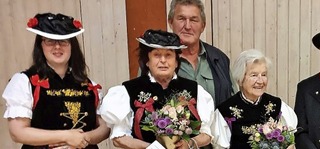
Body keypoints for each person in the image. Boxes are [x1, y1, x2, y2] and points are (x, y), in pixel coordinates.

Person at [2, 13, 110, 149]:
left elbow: (105, 127)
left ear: (72, 45)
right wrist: (66, 137)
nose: (57, 47)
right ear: (40, 45)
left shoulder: (90, 85)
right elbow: (18, 132)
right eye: (50, 41)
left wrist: (84, 139)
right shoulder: (24, 82)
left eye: (63, 41)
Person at [100, 30, 214, 148]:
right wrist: (151, 147)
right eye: (157, 55)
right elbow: (119, 138)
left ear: (176, 61)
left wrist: (190, 143)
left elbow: (206, 134)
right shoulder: (129, 90)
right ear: (147, 61)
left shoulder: (194, 89)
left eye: (168, 55)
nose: (163, 60)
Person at [212, 49, 298, 148]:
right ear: (240, 79)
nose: (260, 81)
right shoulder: (225, 111)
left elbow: (291, 142)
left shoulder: (277, 105)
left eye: (264, 75)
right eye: (254, 75)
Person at [168, 0, 233, 107]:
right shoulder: (158, 61)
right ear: (170, 22)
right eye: (181, 19)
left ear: (203, 26)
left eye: (194, 20)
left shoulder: (219, 59)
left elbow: (232, 102)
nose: (187, 26)